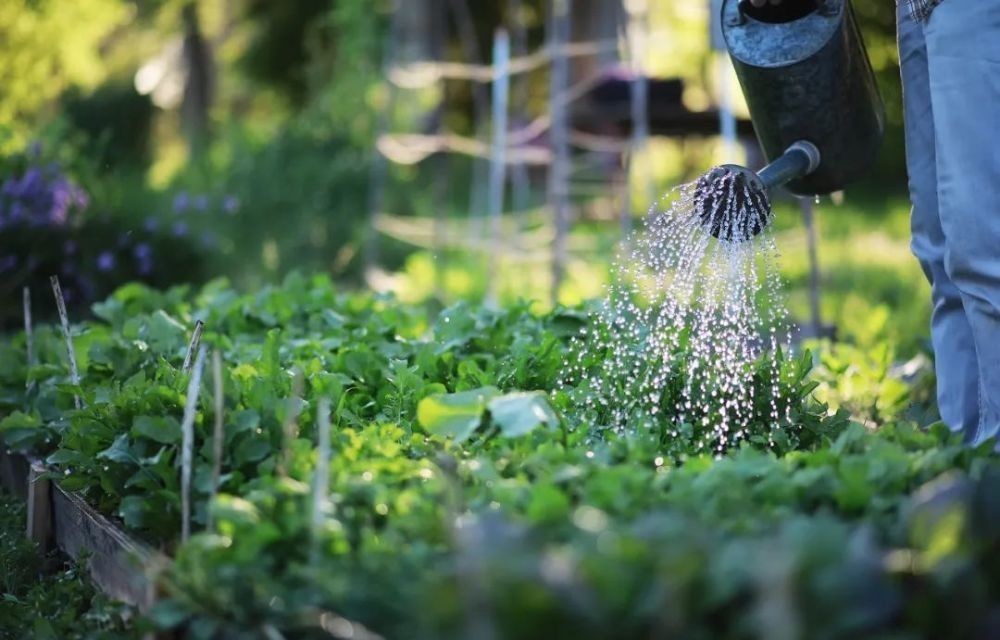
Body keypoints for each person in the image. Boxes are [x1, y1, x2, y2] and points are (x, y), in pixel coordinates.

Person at [749, 0, 1000, 446]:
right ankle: (966, 453)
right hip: (917, 8)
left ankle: (993, 457)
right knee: (937, 246)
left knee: (982, 242)